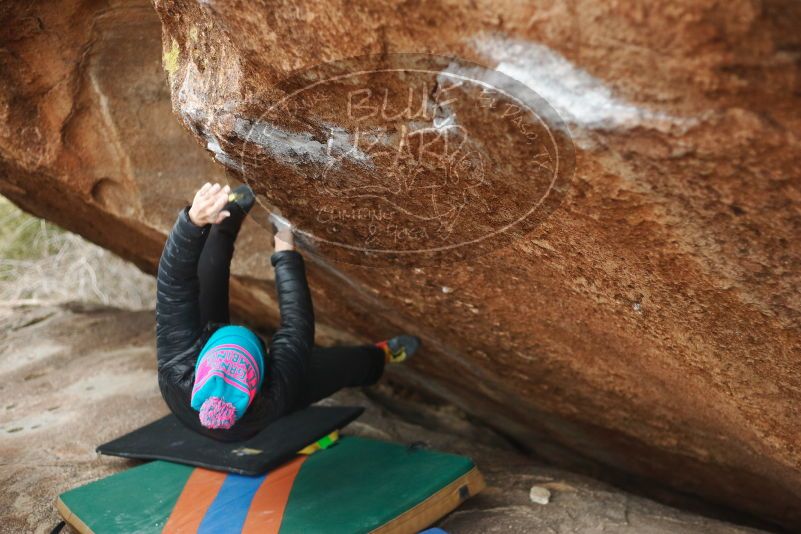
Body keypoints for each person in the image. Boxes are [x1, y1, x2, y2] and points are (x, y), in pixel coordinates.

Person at [155, 182, 420, 442]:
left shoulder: (179, 357)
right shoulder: (276, 393)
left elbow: (174, 282)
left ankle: (223, 219)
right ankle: (381, 356)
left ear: (204, 357)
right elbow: (296, 323)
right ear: (261, 376)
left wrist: (193, 221)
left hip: (192, 376)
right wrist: (285, 251)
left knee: (207, 275)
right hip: (251, 415)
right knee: (338, 367)